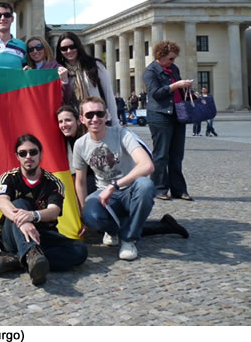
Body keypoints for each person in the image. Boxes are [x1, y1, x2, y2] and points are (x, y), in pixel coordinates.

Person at [57, 105, 188, 240]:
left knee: (108, 221)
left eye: (68, 120)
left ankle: (138, 230)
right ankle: (163, 225)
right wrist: (83, 214)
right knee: (103, 221)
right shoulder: (74, 141)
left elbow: (146, 163)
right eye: (60, 122)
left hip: (122, 185)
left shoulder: (97, 133)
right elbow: (79, 178)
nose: (64, 125)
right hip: (101, 184)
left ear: (79, 120)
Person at [0, 133, 88, 285]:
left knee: (80, 251)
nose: (28, 157)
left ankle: (20, 260)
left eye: (33, 152)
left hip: (42, 234)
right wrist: (23, 221)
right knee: (19, 202)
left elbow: (54, 211)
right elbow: (2, 201)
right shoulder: (8, 178)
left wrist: (32, 216)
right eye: (23, 153)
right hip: (12, 233)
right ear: (17, 156)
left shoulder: (54, 182)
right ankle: (31, 253)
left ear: (41, 154)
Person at [73, 97, 155, 261]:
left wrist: (114, 186)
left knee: (145, 186)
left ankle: (129, 239)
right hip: (103, 194)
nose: (95, 118)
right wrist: (83, 213)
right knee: (90, 216)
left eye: (99, 113)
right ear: (82, 119)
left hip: (130, 189)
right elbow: (80, 182)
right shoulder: (80, 145)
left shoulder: (122, 134)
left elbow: (147, 165)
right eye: (89, 115)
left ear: (106, 116)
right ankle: (112, 230)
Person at [143, 40, 194, 202]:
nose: (173, 61)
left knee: (177, 154)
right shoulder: (150, 71)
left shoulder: (174, 69)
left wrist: (185, 88)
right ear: (161, 56)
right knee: (161, 154)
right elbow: (156, 94)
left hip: (177, 113)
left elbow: (177, 89)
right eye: (171, 58)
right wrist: (176, 85)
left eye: (174, 58)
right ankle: (159, 188)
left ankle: (179, 190)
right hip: (160, 115)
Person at [55, 31, 119, 127]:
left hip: (96, 119)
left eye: (72, 47)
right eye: (64, 48)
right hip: (76, 123)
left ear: (78, 46)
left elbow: (108, 94)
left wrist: (115, 123)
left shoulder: (95, 65)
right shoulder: (59, 71)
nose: (69, 51)